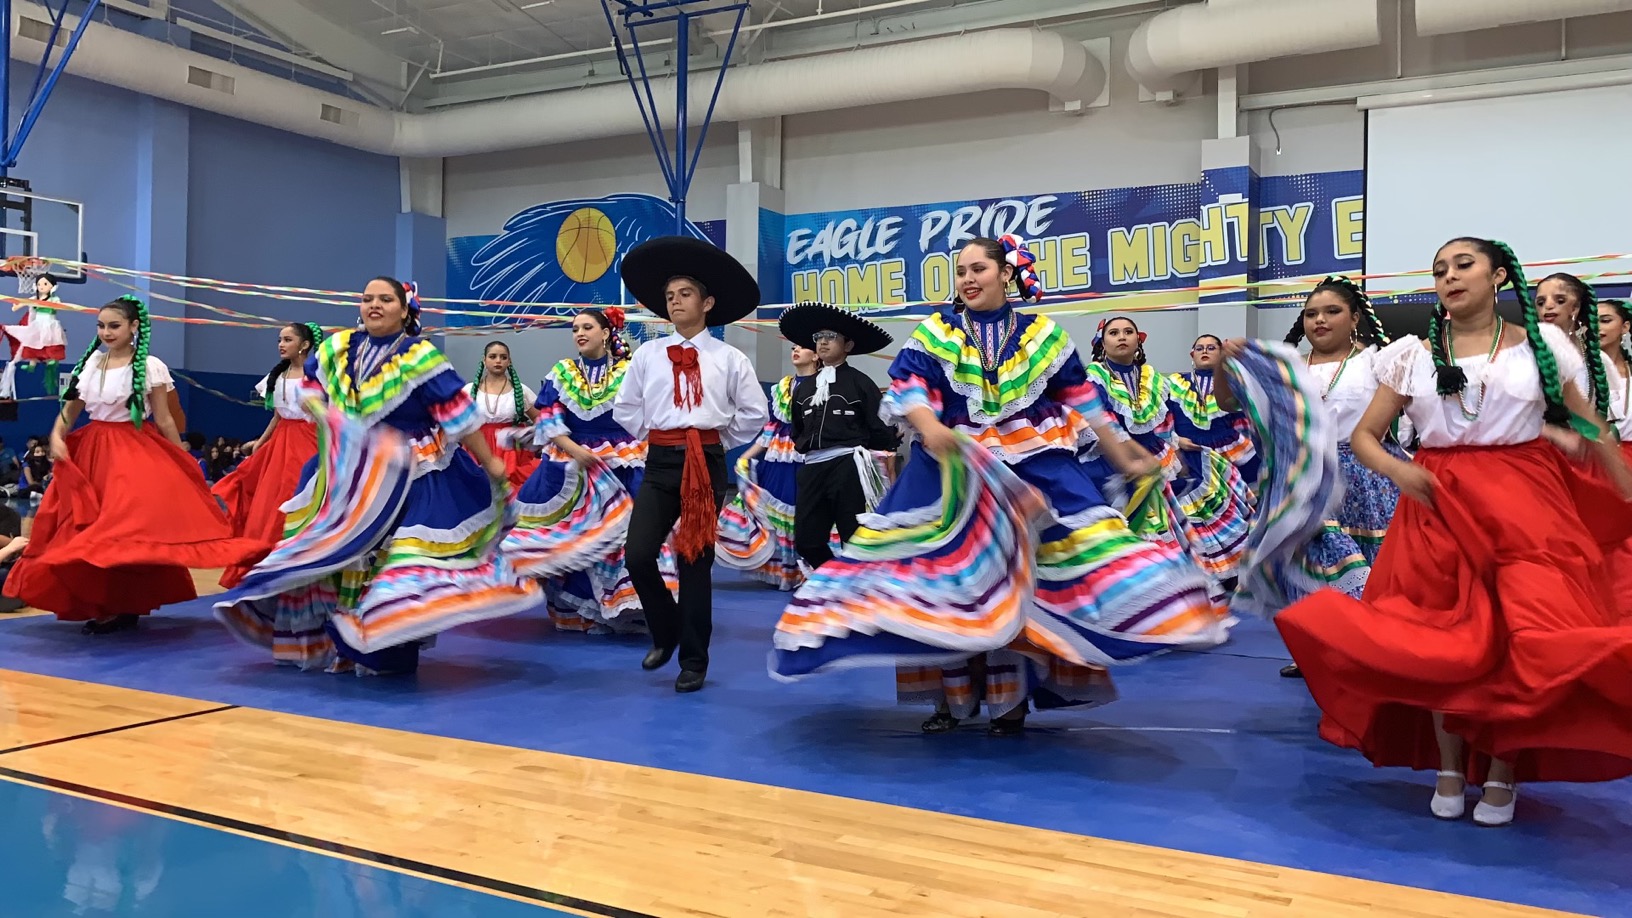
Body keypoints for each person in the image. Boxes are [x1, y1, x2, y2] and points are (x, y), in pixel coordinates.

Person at [772, 236, 1225, 736]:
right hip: (952, 464)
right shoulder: (938, 331)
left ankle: (1010, 702)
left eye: (978, 268)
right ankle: (950, 699)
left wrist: (1117, 448)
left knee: (1032, 576)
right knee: (945, 580)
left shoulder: (1042, 334)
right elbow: (911, 386)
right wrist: (931, 426)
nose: (967, 278)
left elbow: (1077, 392)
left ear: (1004, 274)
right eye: (961, 270)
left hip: (1031, 461)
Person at [1276, 238, 1632, 828]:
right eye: (1439, 270)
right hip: (1438, 503)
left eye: (1462, 264)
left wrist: (1615, 476)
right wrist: (1399, 469)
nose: (1448, 276)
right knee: (1441, 642)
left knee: (1520, 643)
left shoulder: (1542, 345)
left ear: (1498, 276)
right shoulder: (1412, 353)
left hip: (1526, 506)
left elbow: (1589, 426)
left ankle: (1501, 771)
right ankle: (1448, 768)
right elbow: (1368, 435)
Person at [214, 277, 539, 675]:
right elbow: (312, 390)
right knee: (338, 553)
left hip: (411, 470)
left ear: (405, 310)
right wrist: (335, 420)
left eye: (386, 299)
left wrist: (491, 463)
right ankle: (344, 645)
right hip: (350, 467)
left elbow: (458, 416)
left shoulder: (422, 358)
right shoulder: (337, 348)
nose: (375, 305)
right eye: (368, 299)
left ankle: (384, 647)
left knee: (395, 558)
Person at [3, 296, 260, 633]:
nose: (106, 332)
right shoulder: (91, 364)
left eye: (114, 326)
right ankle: (104, 603)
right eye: (101, 326)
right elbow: (71, 409)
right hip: (91, 454)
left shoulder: (150, 366)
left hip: (133, 454)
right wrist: (57, 435)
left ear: (133, 327)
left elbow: (165, 419)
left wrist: (180, 458)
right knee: (86, 531)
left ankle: (123, 605)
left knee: (123, 532)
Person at [612, 236, 768, 693]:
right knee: (638, 554)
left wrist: (715, 441)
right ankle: (665, 630)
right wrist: (656, 437)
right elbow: (627, 408)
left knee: (694, 563)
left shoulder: (729, 358)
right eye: (669, 296)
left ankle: (694, 660)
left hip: (706, 464)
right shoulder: (647, 355)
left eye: (684, 294)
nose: (675, 302)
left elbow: (754, 413)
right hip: (660, 463)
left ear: (708, 302)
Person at [505, 307, 653, 632]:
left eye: (587, 327)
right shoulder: (563, 371)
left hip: (621, 462)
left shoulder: (630, 371)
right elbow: (547, 418)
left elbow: (646, 417)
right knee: (573, 537)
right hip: (570, 462)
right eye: (575, 329)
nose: (580, 334)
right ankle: (585, 612)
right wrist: (576, 451)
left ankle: (623, 609)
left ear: (606, 332)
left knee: (620, 538)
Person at [779, 302, 900, 570]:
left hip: (847, 465)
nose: (823, 343)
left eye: (831, 337)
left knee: (853, 536)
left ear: (848, 345)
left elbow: (877, 426)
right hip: (811, 468)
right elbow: (798, 427)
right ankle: (833, 579)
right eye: (818, 337)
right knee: (807, 541)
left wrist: (886, 441)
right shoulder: (804, 388)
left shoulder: (861, 383)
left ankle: (855, 593)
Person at [211, 323, 325, 589]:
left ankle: (297, 566)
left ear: (305, 345)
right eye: (280, 340)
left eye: (287, 339)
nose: (281, 344)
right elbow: (278, 416)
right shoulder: (278, 376)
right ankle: (265, 564)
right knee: (269, 503)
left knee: (299, 498)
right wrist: (259, 444)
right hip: (280, 445)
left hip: (309, 442)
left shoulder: (320, 376)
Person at [717, 342, 819, 589]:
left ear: (816, 355)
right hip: (778, 460)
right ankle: (785, 572)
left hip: (807, 458)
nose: (795, 350)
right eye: (793, 347)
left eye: (802, 347)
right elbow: (770, 431)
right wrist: (745, 457)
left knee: (806, 514)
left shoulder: (825, 385)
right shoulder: (782, 388)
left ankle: (808, 572)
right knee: (775, 515)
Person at [1168, 335, 1260, 486]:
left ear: (1221, 353)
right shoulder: (1175, 382)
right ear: (1193, 354)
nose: (1205, 351)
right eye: (1199, 348)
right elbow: (1165, 419)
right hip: (1188, 452)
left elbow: (1244, 422)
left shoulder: (1232, 382)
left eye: (1211, 348)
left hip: (1226, 453)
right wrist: (1176, 441)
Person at [467, 340, 540, 491]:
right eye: (493, 356)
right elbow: (454, 422)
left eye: (503, 357)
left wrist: (531, 437)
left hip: (512, 452)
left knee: (512, 493)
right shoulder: (468, 390)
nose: (498, 361)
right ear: (484, 360)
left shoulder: (521, 390)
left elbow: (540, 419)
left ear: (509, 361)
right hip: (478, 447)